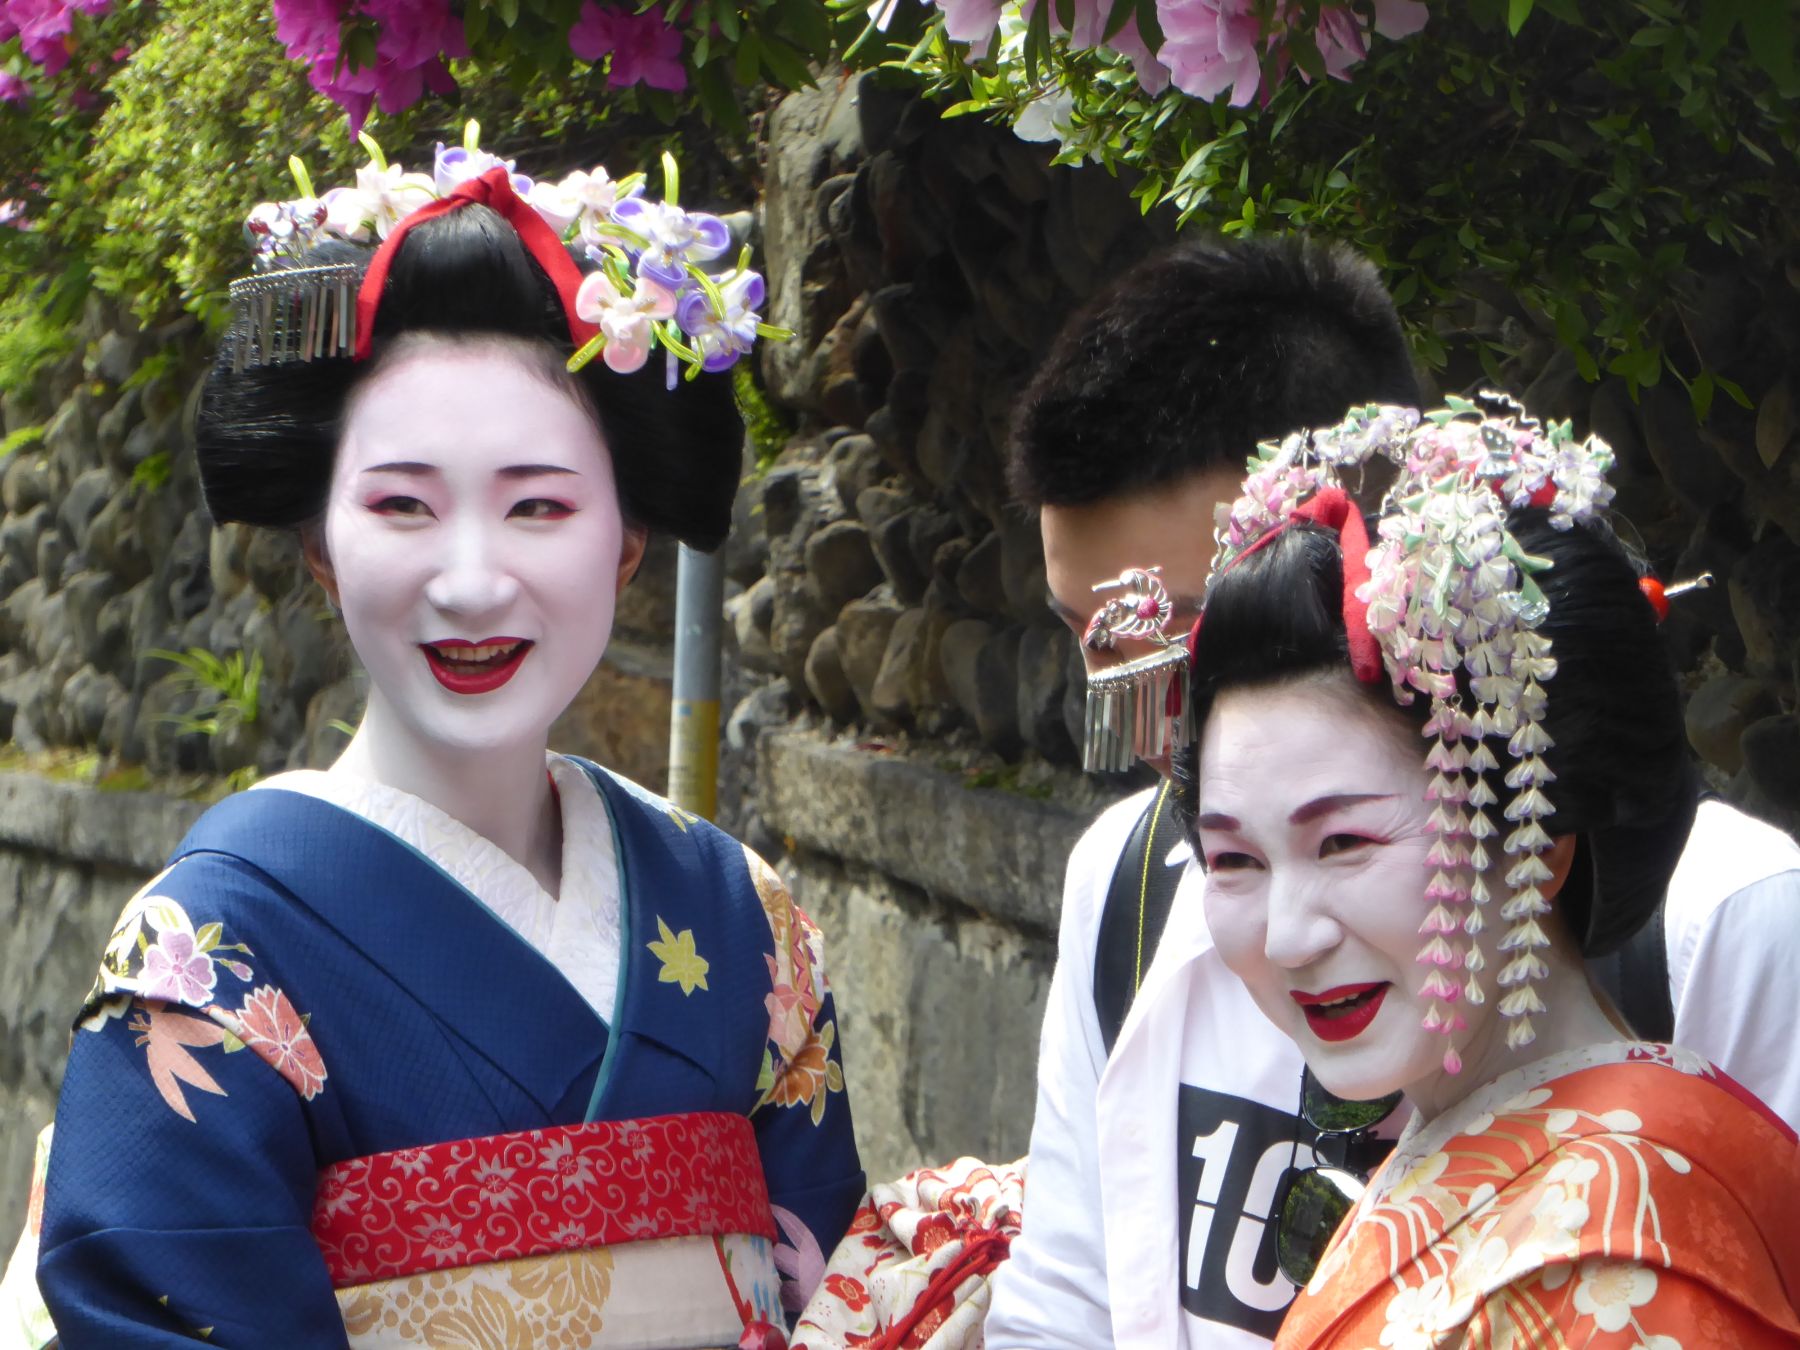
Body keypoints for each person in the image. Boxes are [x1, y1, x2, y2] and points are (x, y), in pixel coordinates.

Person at [27, 134, 864, 1346]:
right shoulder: (211, 951)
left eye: (539, 505)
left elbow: (838, 1298)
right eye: (402, 505)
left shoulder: (740, 916)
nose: (472, 583)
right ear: (321, 544)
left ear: (627, 541)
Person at [984, 237, 1800, 1347]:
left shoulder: (1724, 924)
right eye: (1098, 653)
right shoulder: (1132, 880)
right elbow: (1065, 1308)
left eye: (1188, 640)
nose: (1167, 733)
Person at [1158, 398, 1800, 1345]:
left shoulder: (1620, 1253)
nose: (1288, 936)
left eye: (1344, 843)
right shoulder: (1476, 1134)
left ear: (1539, 844)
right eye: (1235, 860)